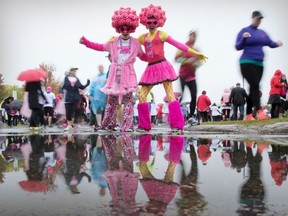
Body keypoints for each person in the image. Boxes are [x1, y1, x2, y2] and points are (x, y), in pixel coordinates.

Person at [136, 4, 207, 133]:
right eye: (149, 21)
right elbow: (131, 44)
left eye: (154, 21)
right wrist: (115, 43)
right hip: (150, 69)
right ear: (145, 22)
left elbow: (179, 45)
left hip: (162, 66)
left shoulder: (162, 34)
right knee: (141, 94)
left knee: (170, 94)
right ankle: (144, 125)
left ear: (159, 22)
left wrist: (196, 54)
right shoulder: (142, 37)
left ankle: (177, 124)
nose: (152, 24)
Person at [80, 7, 147, 132]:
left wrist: (154, 54)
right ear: (118, 28)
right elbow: (99, 46)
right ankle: (108, 125)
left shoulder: (136, 43)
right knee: (111, 100)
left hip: (128, 75)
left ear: (132, 27)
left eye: (128, 28)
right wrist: (86, 42)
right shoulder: (113, 42)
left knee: (128, 101)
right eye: (122, 28)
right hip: (115, 75)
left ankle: (127, 126)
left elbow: (144, 56)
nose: (125, 31)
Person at [235, 10, 283, 120]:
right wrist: (243, 38)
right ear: (252, 18)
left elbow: (270, 43)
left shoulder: (262, 33)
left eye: (260, 19)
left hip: (259, 64)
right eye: (257, 19)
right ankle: (259, 111)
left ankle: (248, 115)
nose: (259, 21)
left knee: (253, 88)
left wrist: (277, 44)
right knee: (256, 86)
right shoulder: (245, 30)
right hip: (246, 63)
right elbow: (237, 46)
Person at [175, 30, 202, 124]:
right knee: (182, 95)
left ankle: (190, 117)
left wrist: (196, 63)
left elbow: (200, 62)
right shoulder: (183, 47)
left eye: (194, 37)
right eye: (191, 36)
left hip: (192, 76)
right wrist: (187, 61)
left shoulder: (196, 50)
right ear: (189, 36)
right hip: (183, 75)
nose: (193, 38)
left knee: (194, 95)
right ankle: (175, 115)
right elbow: (176, 59)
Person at [88, 64, 107, 129]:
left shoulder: (106, 76)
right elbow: (92, 86)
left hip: (105, 96)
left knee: (105, 111)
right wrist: (90, 94)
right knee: (98, 111)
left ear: (103, 68)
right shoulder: (95, 77)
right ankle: (99, 124)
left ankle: (104, 124)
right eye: (99, 67)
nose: (100, 68)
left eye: (101, 67)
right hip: (97, 97)